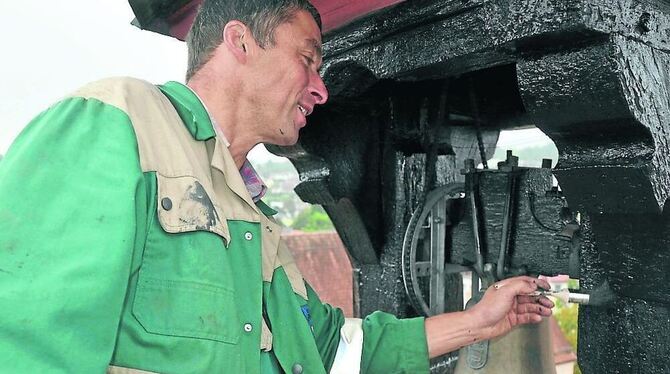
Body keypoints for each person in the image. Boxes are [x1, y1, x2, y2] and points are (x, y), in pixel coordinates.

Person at [0, 0, 554, 373]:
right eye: (308, 60)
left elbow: (336, 350)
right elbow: (25, 342)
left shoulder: (257, 226)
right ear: (239, 42)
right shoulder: (117, 122)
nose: (320, 89)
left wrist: (478, 321)